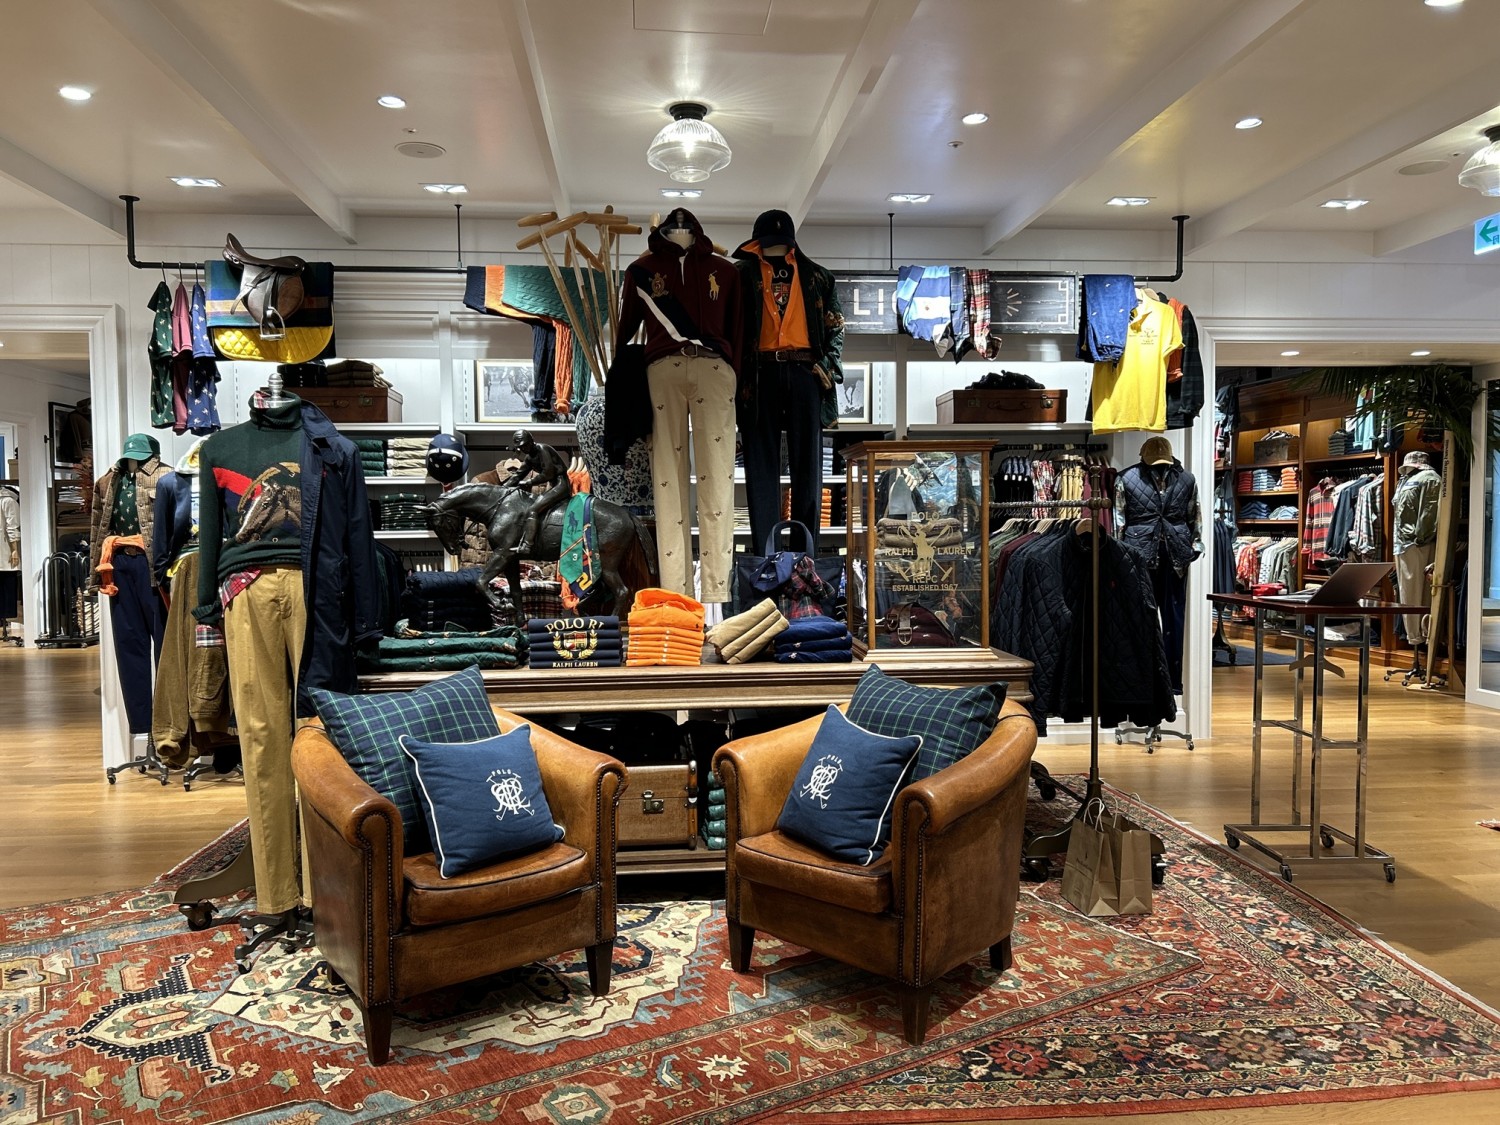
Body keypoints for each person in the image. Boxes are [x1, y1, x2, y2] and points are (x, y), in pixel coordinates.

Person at [613, 207, 741, 601]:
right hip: (662, 371)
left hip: (715, 369)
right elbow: (625, 333)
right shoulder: (641, 271)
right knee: (667, 479)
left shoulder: (726, 271)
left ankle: (716, 597)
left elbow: (738, 330)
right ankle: (676, 597)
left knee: (718, 478)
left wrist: (735, 375)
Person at [732, 209, 845, 555]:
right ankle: (766, 558)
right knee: (760, 466)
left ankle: (805, 558)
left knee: (808, 468)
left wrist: (825, 367)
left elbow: (836, 328)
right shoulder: (740, 276)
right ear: (756, 245)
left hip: (805, 371)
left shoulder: (818, 277)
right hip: (758, 373)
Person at [1116, 435, 1201, 695]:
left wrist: (1196, 545)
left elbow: (1194, 514)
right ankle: (1141, 681)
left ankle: (1172, 683)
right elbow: (1119, 519)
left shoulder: (1187, 479)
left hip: (1176, 556)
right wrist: (1119, 554)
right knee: (1140, 619)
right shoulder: (1126, 478)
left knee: (1174, 619)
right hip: (1139, 555)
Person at [1392, 449, 1441, 659]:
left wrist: (1420, 538)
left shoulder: (1429, 478)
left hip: (1416, 545)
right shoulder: (1406, 480)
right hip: (1406, 544)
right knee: (1408, 594)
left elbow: (1429, 512)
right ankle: (1415, 637)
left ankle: (1421, 638)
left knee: (1417, 593)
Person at [502, 429, 571, 555]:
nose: (523, 449)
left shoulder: (542, 449)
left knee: (533, 509)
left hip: (561, 484)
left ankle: (527, 545)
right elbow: (518, 475)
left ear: (531, 442)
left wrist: (529, 482)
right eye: (520, 447)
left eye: (524, 445)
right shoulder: (529, 458)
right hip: (554, 485)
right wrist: (502, 489)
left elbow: (548, 473)